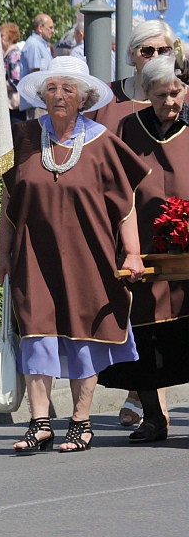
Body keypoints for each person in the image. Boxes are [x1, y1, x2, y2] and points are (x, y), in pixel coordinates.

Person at [0, 56, 147, 453]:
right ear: (42, 95)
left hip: (89, 255)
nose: (59, 96)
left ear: (82, 98)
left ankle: (81, 422)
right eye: (52, 89)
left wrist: (132, 252)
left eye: (67, 89)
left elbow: (125, 205)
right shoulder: (26, 137)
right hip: (34, 254)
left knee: (85, 336)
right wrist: (2, 252)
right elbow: (9, 200)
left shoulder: (101, 142)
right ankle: (39, 422)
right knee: (36, 333)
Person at [97, 56, 189, 442]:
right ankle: (153, 417)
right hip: (143, 250)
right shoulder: (126, 131)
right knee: (146, 338)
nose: (170, 101)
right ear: (146, 94)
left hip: (187, 252)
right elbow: (116, 189)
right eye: (162, 94)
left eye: (176, 92)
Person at [91, 19, 176, 134]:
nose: (155, 57)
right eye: (147, 51)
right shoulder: (106, 95)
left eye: (163, 51)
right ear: (132, 55)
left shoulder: (184, 98)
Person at [1, 23, 24, 122]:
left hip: (14, 105)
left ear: (11, 37)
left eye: (2, 36)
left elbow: (16, 80)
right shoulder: (8, 53)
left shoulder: (14, 54)